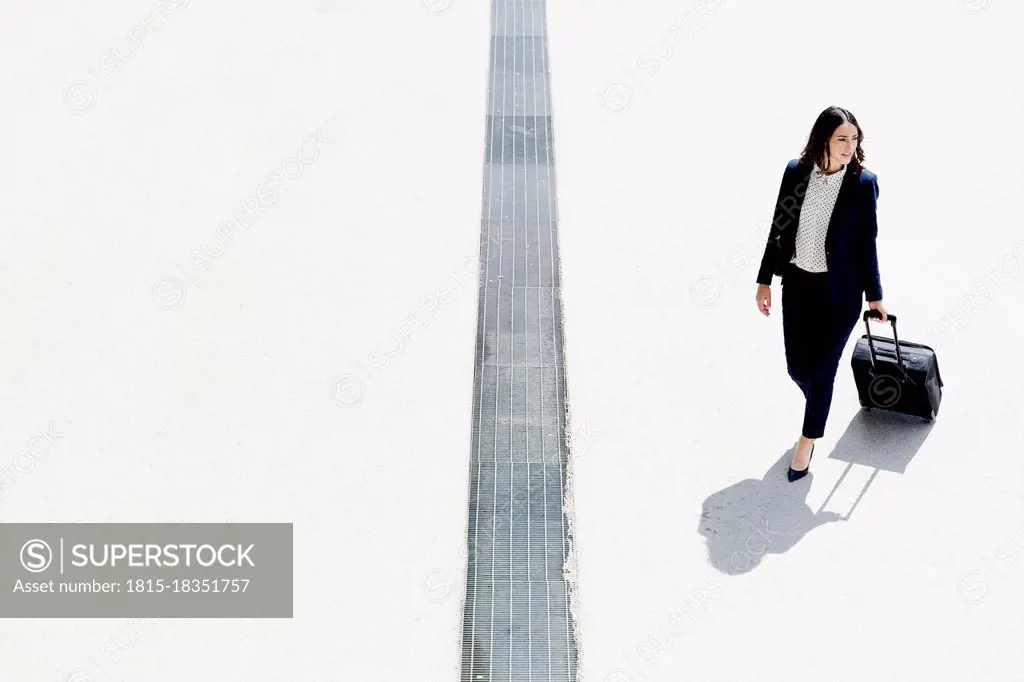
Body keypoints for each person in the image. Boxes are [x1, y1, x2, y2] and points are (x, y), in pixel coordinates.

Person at [754, 106, 888, 482]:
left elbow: (867, 243)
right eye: (842, 139)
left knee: (823, 369)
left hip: (840, 293)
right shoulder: (797, 173)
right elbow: (778, 227)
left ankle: (807, 439)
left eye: (854, 139)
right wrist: (764, 279)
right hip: (798, 284)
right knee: (798, 368)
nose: (850, 146)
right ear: (823, 141)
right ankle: (817, 403)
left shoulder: (863, 184)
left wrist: (875, 295)